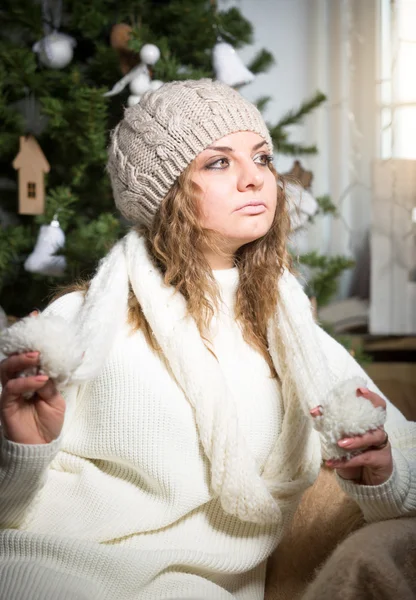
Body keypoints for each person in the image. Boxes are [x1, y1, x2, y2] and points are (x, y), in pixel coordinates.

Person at [0, 79, 415, 600]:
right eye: (219, 162)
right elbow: (10, 509)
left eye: (262, 158)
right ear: (165, 191)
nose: (254, 179)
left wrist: (380, 474)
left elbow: (402, 460)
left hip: (193, 587)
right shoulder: (82, 321)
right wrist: (25, 449)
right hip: (45, 564)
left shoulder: (291, 332)